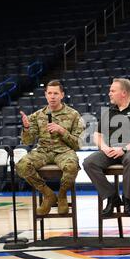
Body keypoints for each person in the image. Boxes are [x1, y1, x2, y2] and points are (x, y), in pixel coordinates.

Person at [83, 78, 130, 217]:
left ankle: (127, 200)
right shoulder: (108, 112)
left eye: (113, 91)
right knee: (89, 163)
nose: (109, 93)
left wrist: (125, 148)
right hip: (111, 150)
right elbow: (97, 135)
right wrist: (104, 147)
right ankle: (112, 197)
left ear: (124, 93)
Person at [16, 80, 84, 216]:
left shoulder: (74, 115)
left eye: (56, 93)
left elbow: (78, 144)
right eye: (50, 93)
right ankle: (48, 195)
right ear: (46, 95)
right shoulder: (37, 115)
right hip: (43, 151)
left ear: (62, 95)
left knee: (72, 166)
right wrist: (27, 127)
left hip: (64, 151)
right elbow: (27, 141)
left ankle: (62, 195)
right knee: (21, 165)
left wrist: (62, 131)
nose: (52, 96)